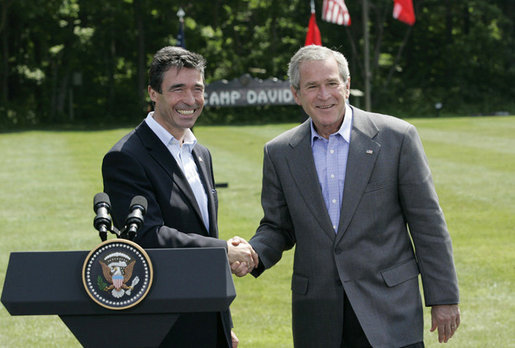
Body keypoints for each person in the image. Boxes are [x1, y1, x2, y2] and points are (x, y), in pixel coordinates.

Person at [245, 45, 460, 347]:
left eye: (332, 83)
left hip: (389, 309)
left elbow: (427, 224)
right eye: (312, 87)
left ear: (346, 86)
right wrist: (253, 253)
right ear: (297, 94)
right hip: (318, 314)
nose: (324, 95)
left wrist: (444, 297)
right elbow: (278, 226)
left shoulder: (397, 138)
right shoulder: (280, 152)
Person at [102, 46, 258, 348]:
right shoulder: (125, 157)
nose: (190, 100)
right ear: (153, 93)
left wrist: (221, 321)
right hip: (162, 323)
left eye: (197, 89)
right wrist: (222, 250)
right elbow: (147, 236)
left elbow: (200, 231)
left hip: (206, 317)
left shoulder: (200, 153)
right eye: (177, 89)